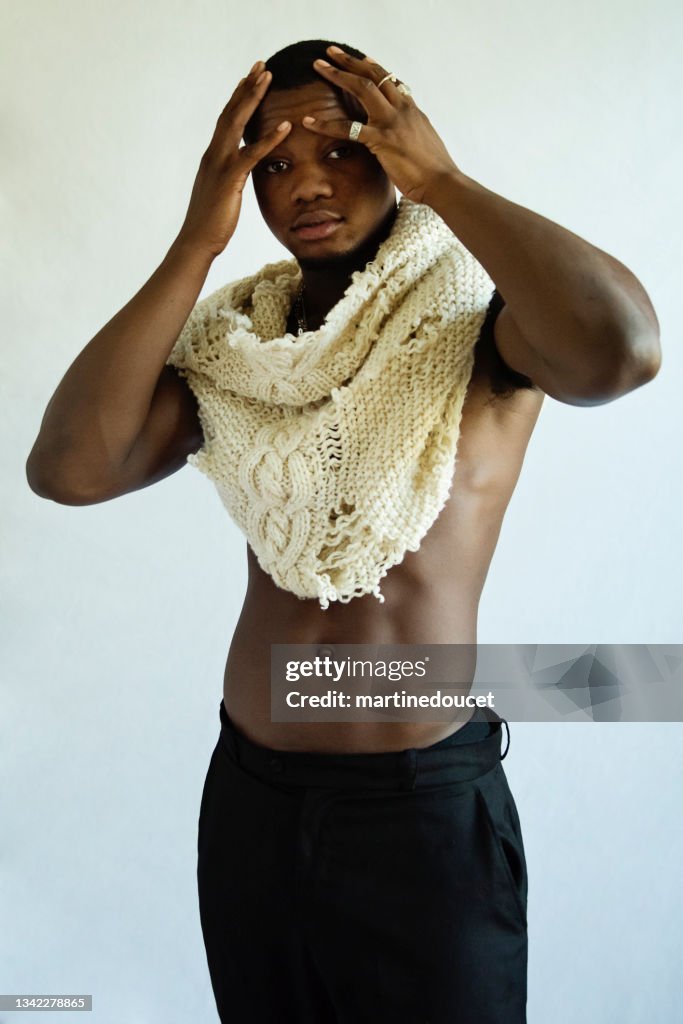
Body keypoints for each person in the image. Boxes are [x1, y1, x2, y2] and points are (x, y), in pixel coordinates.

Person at [26, 36, 661, 1024]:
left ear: (391, 146)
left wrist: (445, 182)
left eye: (338, 149)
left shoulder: (482, 322)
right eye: (271, 163)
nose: (305, 185)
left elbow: (619, 351)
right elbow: (69, 469)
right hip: (249, 797)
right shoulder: (235, 347)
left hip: (418, 814)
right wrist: (195, 244)